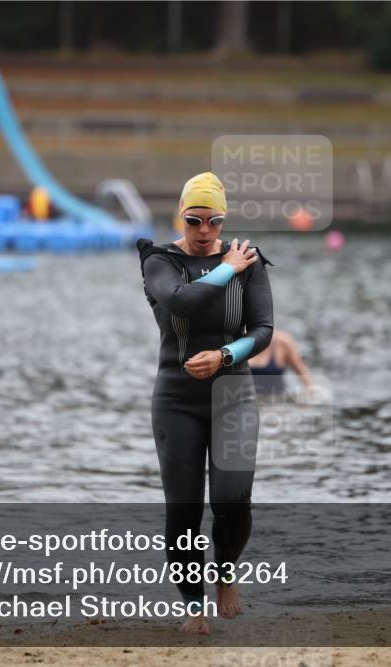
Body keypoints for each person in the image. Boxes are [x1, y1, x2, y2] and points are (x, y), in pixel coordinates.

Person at [137, 172, 273, 635]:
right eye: (194, 220)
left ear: (223, 220)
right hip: (177, 398)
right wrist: (225, 269)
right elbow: (180, 302)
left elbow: (263, 330)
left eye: (213, 221)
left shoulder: (247, 261)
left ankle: (225, 574)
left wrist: (225, 355)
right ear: (182, 214)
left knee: (234, 500)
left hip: (233, 392)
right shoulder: (160, 259)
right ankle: (192, 603)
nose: (202, 231)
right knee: (184, 507)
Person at [248, 329, 314, 396]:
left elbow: (302, 371)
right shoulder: (241, 341)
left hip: (277, 400)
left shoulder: (282, 342)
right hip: (248, 399)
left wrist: (312, 392)